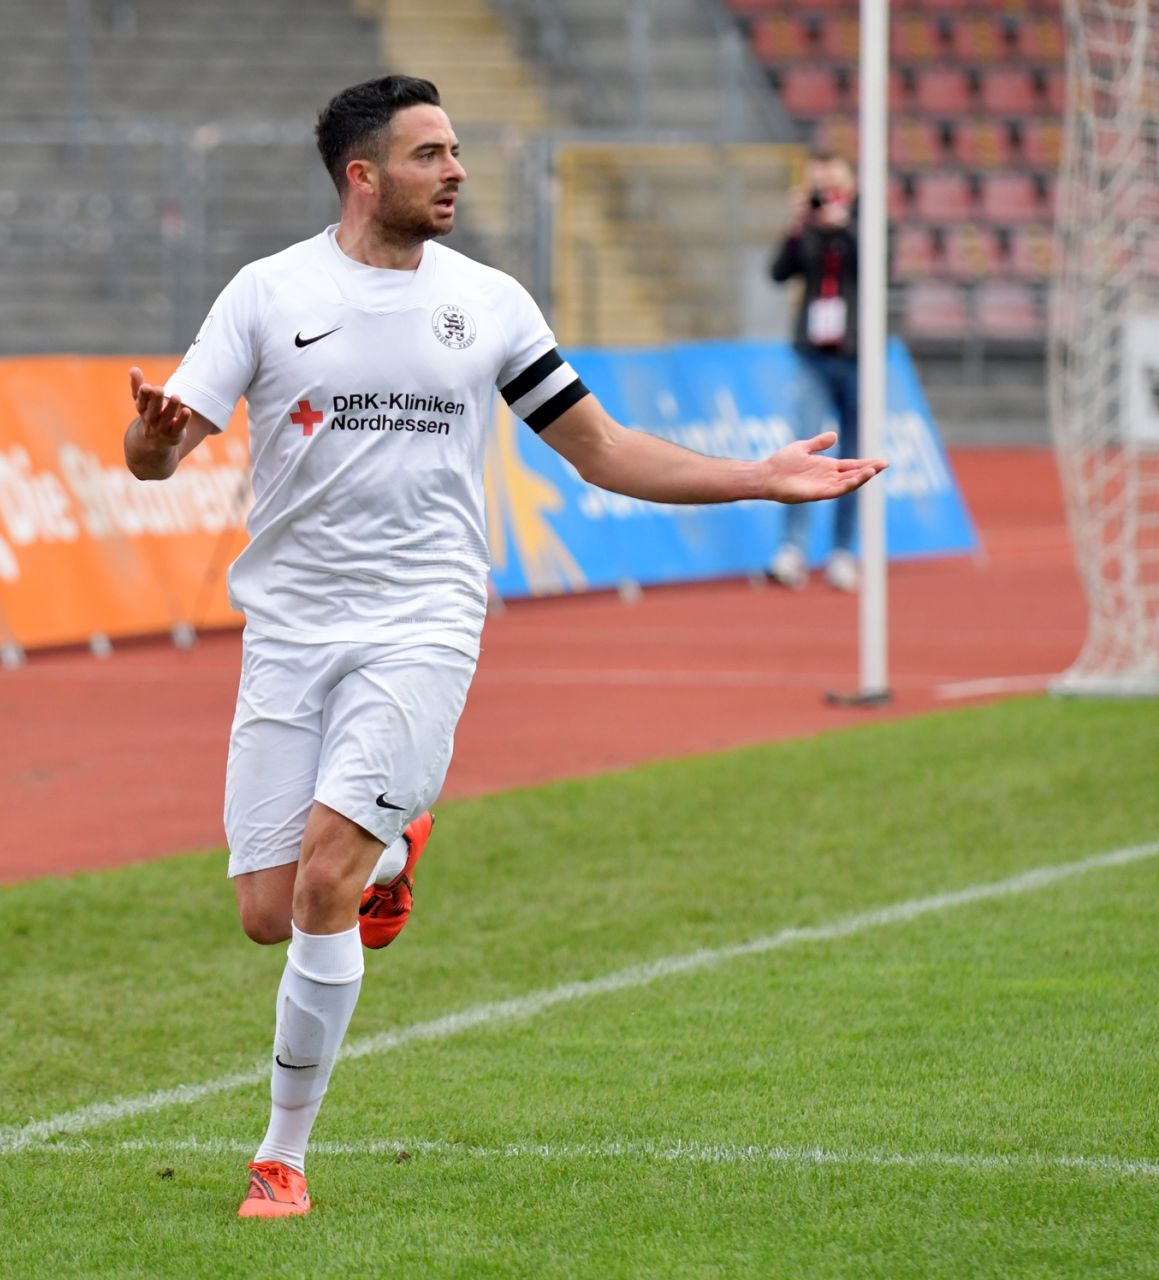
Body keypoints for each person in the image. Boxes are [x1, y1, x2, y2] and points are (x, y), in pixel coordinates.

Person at [122, 76, 885, 1220]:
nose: (457, 170)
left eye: (456, 149)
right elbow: (159, 453)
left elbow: (601, 448)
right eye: (430, 153)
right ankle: (396, 847)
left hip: (426, 616)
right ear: (362, 174)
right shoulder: (267, 293)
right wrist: (147, 440)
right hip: (288, 624)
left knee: (322, 881)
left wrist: (754, 477)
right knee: (267, 909)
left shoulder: (488, 301)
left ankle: (281, 1155)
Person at [768, 149, 863, 592]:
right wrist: (798, 226)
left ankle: (843, 550)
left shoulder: (868, 223)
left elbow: (879, 268)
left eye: (831, 184)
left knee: (853, 455)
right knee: (802, 449)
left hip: (857, 354)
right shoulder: (807, 227)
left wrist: (844, 226)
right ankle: (793, 548)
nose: (824, 194)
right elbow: (778, 273)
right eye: (817, 185)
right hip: (813, 353)